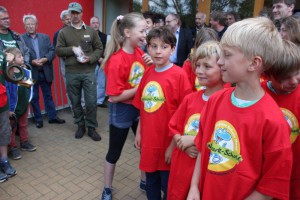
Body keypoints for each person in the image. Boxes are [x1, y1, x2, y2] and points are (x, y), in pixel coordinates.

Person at [187, 17, 293, 200]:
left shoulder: (273, 120)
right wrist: (194, 187)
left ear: (254, 63)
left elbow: (271, 186)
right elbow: (203, 148)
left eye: (227, 55)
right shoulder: (215, 101)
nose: (219, 62)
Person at [133, 26, 192, 200]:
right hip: (149, 143)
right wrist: (139, 132)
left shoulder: (180, 76)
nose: (158, 52)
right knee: (151, 183)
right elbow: (144, 106)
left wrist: (173, 145)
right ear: (148, 48)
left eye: (164, 47)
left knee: (168, 187)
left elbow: (185, 115)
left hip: (168, 144)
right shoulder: (148, 73)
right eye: (153, 46)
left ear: (172, 49)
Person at [100, 12, 152, 200]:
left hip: (140, 108)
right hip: (122, 111)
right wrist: (140, 88)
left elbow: (150, 79)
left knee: (144, 147)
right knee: (114, 152)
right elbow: (115, 96)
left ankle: (144, 181)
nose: (145, 35)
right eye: (142, 31)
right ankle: (107, 188)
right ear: (128, 32)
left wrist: (152, 64)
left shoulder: (141, 53)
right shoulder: (116, 60)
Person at [168, 41, 223, 200]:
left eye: (207, 66)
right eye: (197, 65)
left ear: (222, 67)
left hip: (206, 173)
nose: (199, 71)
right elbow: (174, 127)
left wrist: (195, 140)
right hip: (182, 167)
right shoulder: (190, 100)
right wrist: (181, 143)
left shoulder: (227, 102)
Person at [56, 2, 103, 141]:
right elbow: (58, 50)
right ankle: (80, 125)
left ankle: (91, 127)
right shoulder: (63, 32)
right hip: (72, 72)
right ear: (69, 14)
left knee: (91, 101)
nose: (75, 16)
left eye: (77, 13)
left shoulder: (91, 31)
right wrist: (72, 49)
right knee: (75, 101)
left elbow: (99, 48)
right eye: (72, 13)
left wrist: (91, 58)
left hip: (88, 71)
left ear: (82, 13)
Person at [262, 40, 300, 200]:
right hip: (265, 176)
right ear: (268, 75)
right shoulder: (258, 94)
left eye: (298, 73)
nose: (294, 81)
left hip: (296, 174)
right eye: (285, 77)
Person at [21, 14, 65, 128]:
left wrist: (46, 58)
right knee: (34, 97)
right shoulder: (21, 39)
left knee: (48, 95)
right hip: (31, 72)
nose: (30, 26)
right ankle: (38, 119)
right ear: (24, 26)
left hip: (45, 71)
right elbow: (20, 55)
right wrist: (31, 61)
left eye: (32, 24)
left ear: (36, 25)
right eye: (28, 24)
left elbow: (52, 50)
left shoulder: (44, 37)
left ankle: (52, 117)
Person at [5, 47, 36, 160]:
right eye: (19, 56)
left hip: (24, 104)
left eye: (22, 56)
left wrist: (28, 100)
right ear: (12, 60)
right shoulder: (8, 74)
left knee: (23, 124)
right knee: (12, 127)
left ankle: (24, 142)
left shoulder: (26, 71)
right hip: (13, 107)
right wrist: (9, 108)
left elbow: (30, 85)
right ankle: (12, 147)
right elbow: (7, 91)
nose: (22, 58)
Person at [0, 51, 17, 183]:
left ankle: (4, 161)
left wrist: (10, 64)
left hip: (2, 101)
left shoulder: (1, 53)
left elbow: (9, 77)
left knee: (4, 132)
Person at [90, 16, 108, 108]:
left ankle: (99, 101)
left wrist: (103, 59)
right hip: (92, 63)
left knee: (101, 83)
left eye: (97, 22)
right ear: (90, 24)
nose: (95, 24)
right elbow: (88, 49)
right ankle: (91, 101)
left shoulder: (104, 36)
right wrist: (98, 58)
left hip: (102, 63)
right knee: (91, 83)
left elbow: (107, 49)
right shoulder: (87, 35)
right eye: (93, 22)